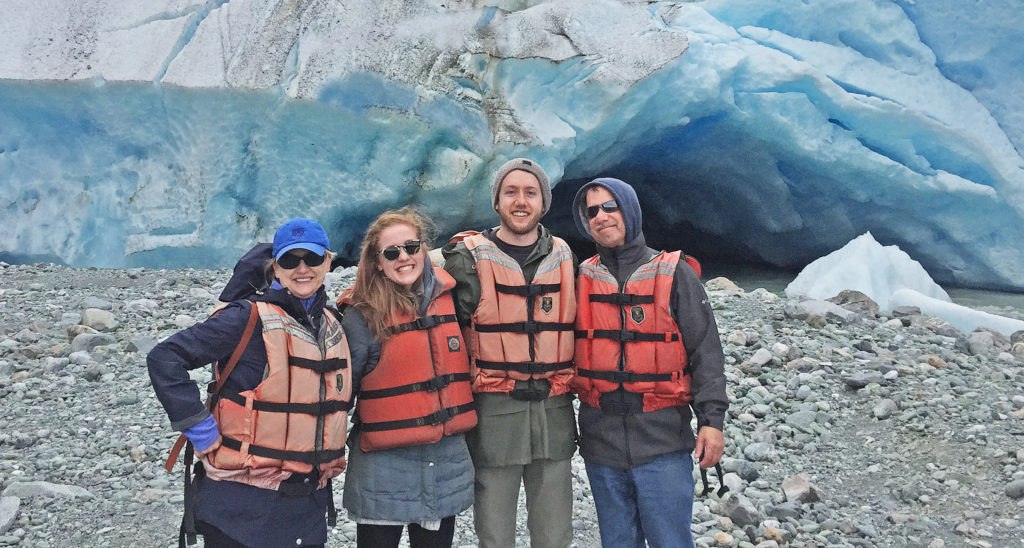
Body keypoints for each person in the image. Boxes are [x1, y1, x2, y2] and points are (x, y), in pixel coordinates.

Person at [148, 218, 351, 548]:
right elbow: (165, 358)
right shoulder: (246, 317)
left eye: (312, 258)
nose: (302, 268)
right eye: (290, 260)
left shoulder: (332, 324)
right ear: (275, 266)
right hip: (240, 511)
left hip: (306, 510)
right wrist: (199, 427)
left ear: (328, 261)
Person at [571, 177, 728, 548]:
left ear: (630, 210)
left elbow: (706, 352)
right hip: (602, 446)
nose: (601, 216)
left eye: (610, 206)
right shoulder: (581, 278)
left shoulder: (675, 274)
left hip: (663, 445)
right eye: (592, 211)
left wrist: (712, 422)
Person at [442, 158, 577, 548]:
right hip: (493, 421)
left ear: (543, 203)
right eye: (511, 192)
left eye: (530, 192)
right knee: (495, 536)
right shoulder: (465, 260)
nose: (521, 201)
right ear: (497, 202)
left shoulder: (566, 258)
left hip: (554, 421)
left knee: (555, 536)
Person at [337, 207, 477, 548]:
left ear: (424, 250)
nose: (404, 257)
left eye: (411, 247)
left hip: (443, 465)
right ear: (377, 262)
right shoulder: (361, 317)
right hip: (383, 471)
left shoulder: (451, 302)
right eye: (391, 252)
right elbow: (339, 396)